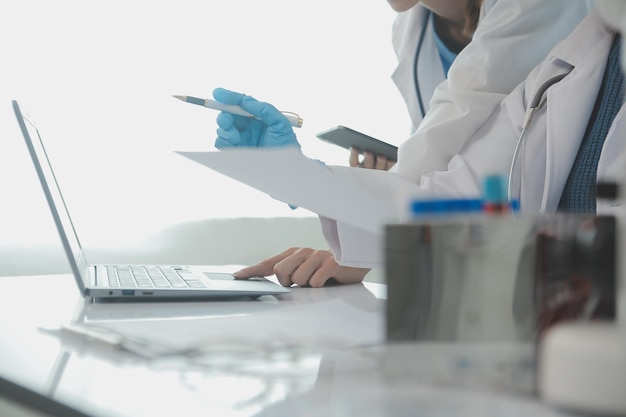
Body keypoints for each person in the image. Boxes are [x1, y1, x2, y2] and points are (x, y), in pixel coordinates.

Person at [214, 0, 595, 288]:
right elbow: (445, 164)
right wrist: (305, 178)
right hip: (472, 246)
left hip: (561, 257)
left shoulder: (539, 7)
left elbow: (456, 142)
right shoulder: (409, 28)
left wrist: (360, 213)